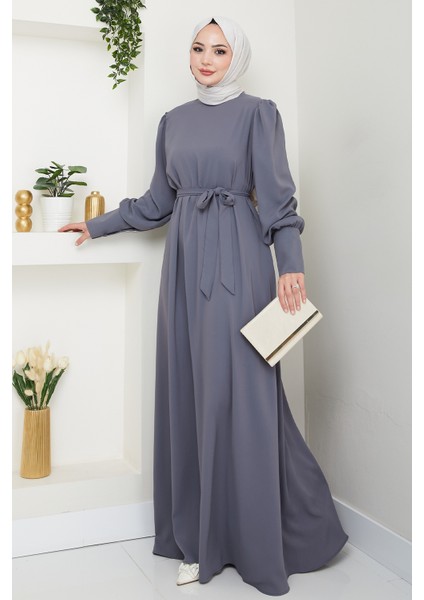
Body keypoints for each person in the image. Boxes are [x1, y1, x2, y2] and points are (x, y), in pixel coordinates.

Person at [60, 15, 348, 597]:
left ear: (235, 56)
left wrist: (290, 265)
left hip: (241, 266)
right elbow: (156, 202)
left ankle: (258, 538)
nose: (206, 59)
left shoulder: (259, 113)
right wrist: (98, 225)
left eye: (219, 50)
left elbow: (278, 198)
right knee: (192, 395)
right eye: (198, 48)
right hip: (185, 271)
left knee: (243, 399)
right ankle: (200, 540)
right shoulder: (172, 122)